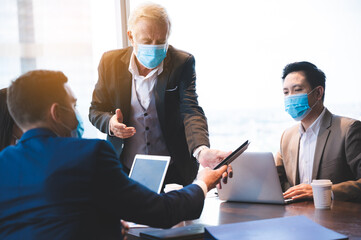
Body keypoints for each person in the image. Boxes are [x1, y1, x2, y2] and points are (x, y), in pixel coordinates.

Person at [0, 70, 228, 240]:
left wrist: (100, 224)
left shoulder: (4, 162)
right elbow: (163, 212)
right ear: (57, 113)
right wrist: (202, 183)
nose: (77, 114)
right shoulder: (90, 155)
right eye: (73, 105)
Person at [89, 3, 230, 186]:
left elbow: (190, 110)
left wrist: (201, 150)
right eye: (147, 42)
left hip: (174, 169)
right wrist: (110, 123)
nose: (154, 47)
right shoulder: (110, 63)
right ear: (131, 37)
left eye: (161, 41)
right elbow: (96, 110)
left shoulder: (182, 63)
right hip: (125, 169)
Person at [275, 61, 361, 202]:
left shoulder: (348, 129)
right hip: (297, 218)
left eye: (297, 90)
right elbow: (273, 178)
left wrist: (322, 191)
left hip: (339, 219)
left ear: (318, 93)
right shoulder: (287, 136)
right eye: (286, 92)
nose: (290, 97)